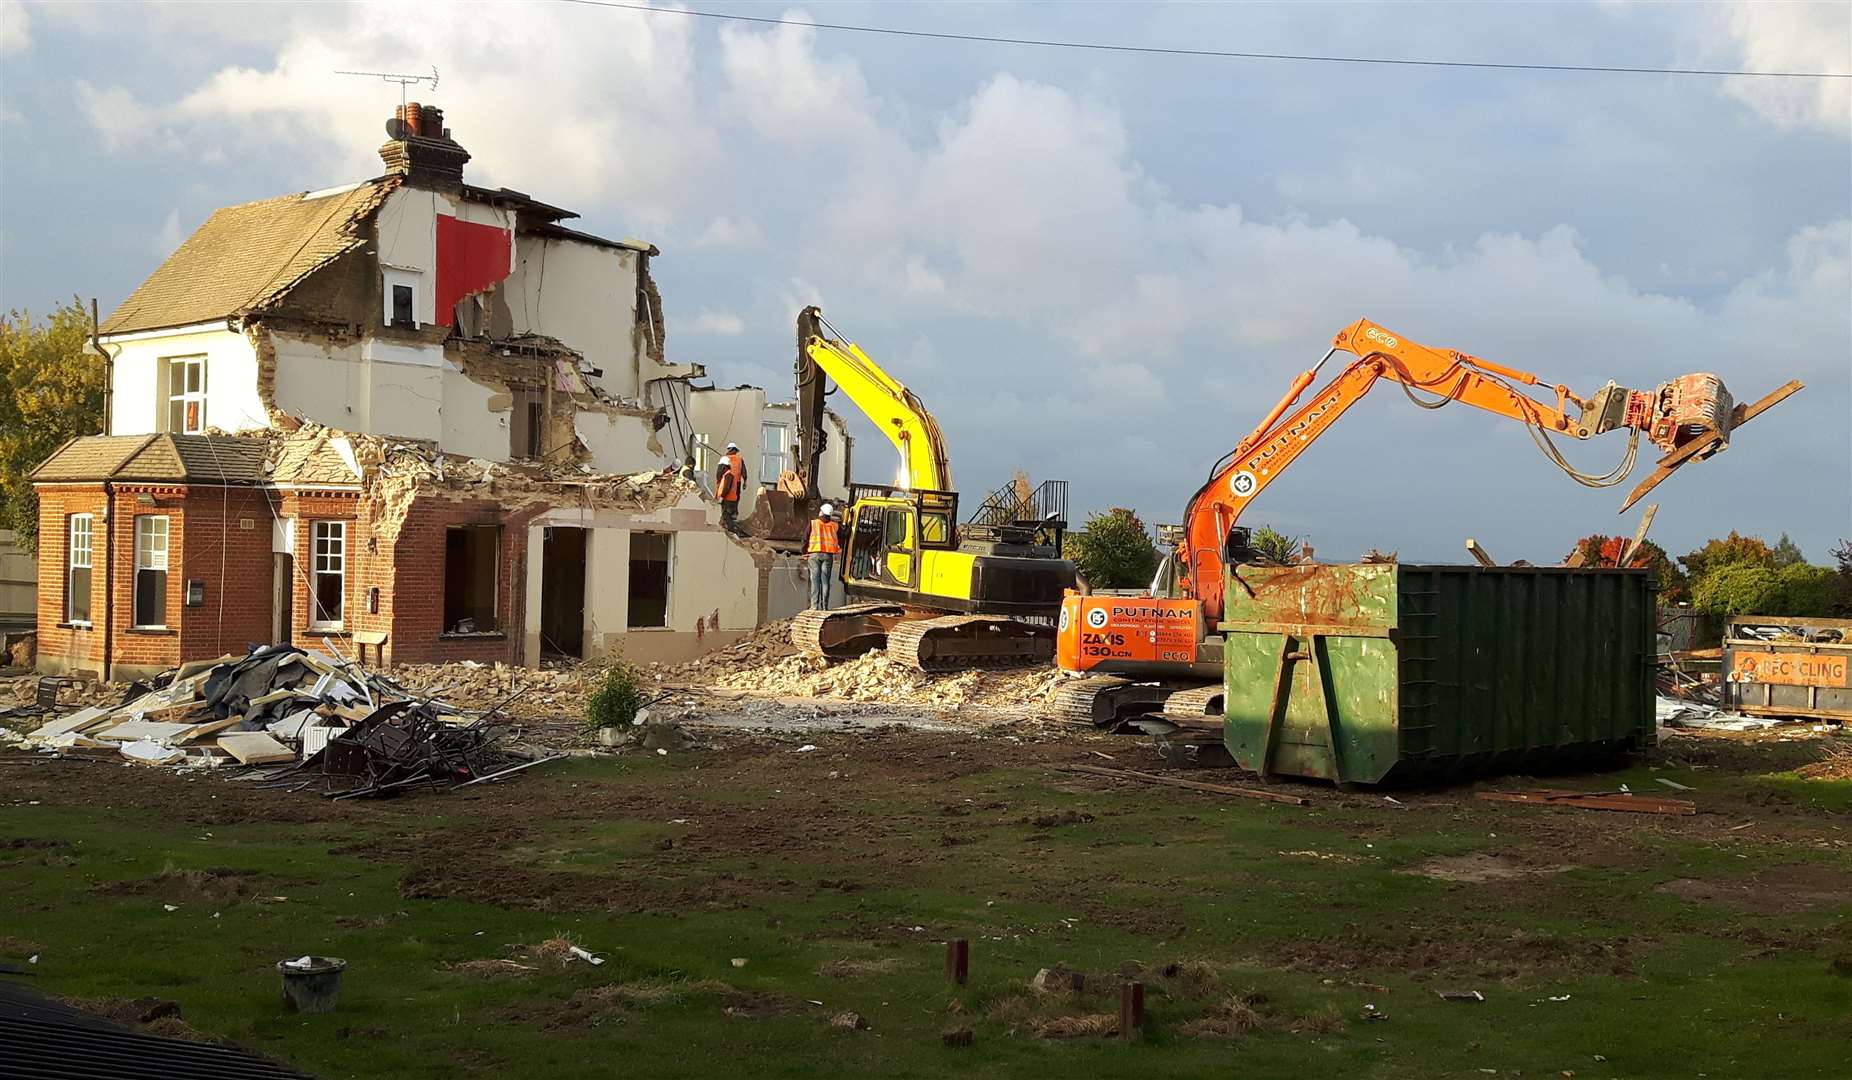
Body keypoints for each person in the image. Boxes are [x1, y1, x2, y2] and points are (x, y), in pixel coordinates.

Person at [806, 502, 840, 610]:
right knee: (825, 581)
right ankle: (825, 606)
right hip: (827, 555)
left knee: (815, 580)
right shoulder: (834, 525)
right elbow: (845, 534)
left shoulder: (813, 523)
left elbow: (804, 537)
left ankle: (814, 606)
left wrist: (803, 551)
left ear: (821, 512)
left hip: (814, 554)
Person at [715, 441, 746, 532]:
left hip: (727, 487)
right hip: (736, 483)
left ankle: (731, 528)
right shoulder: (739, 459)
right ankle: (733, 515)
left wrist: (721, 495)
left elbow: (719, 473)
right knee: (732, 507)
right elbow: (744, 471)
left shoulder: (724, 460)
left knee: (725, 512)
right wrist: (745, 481)